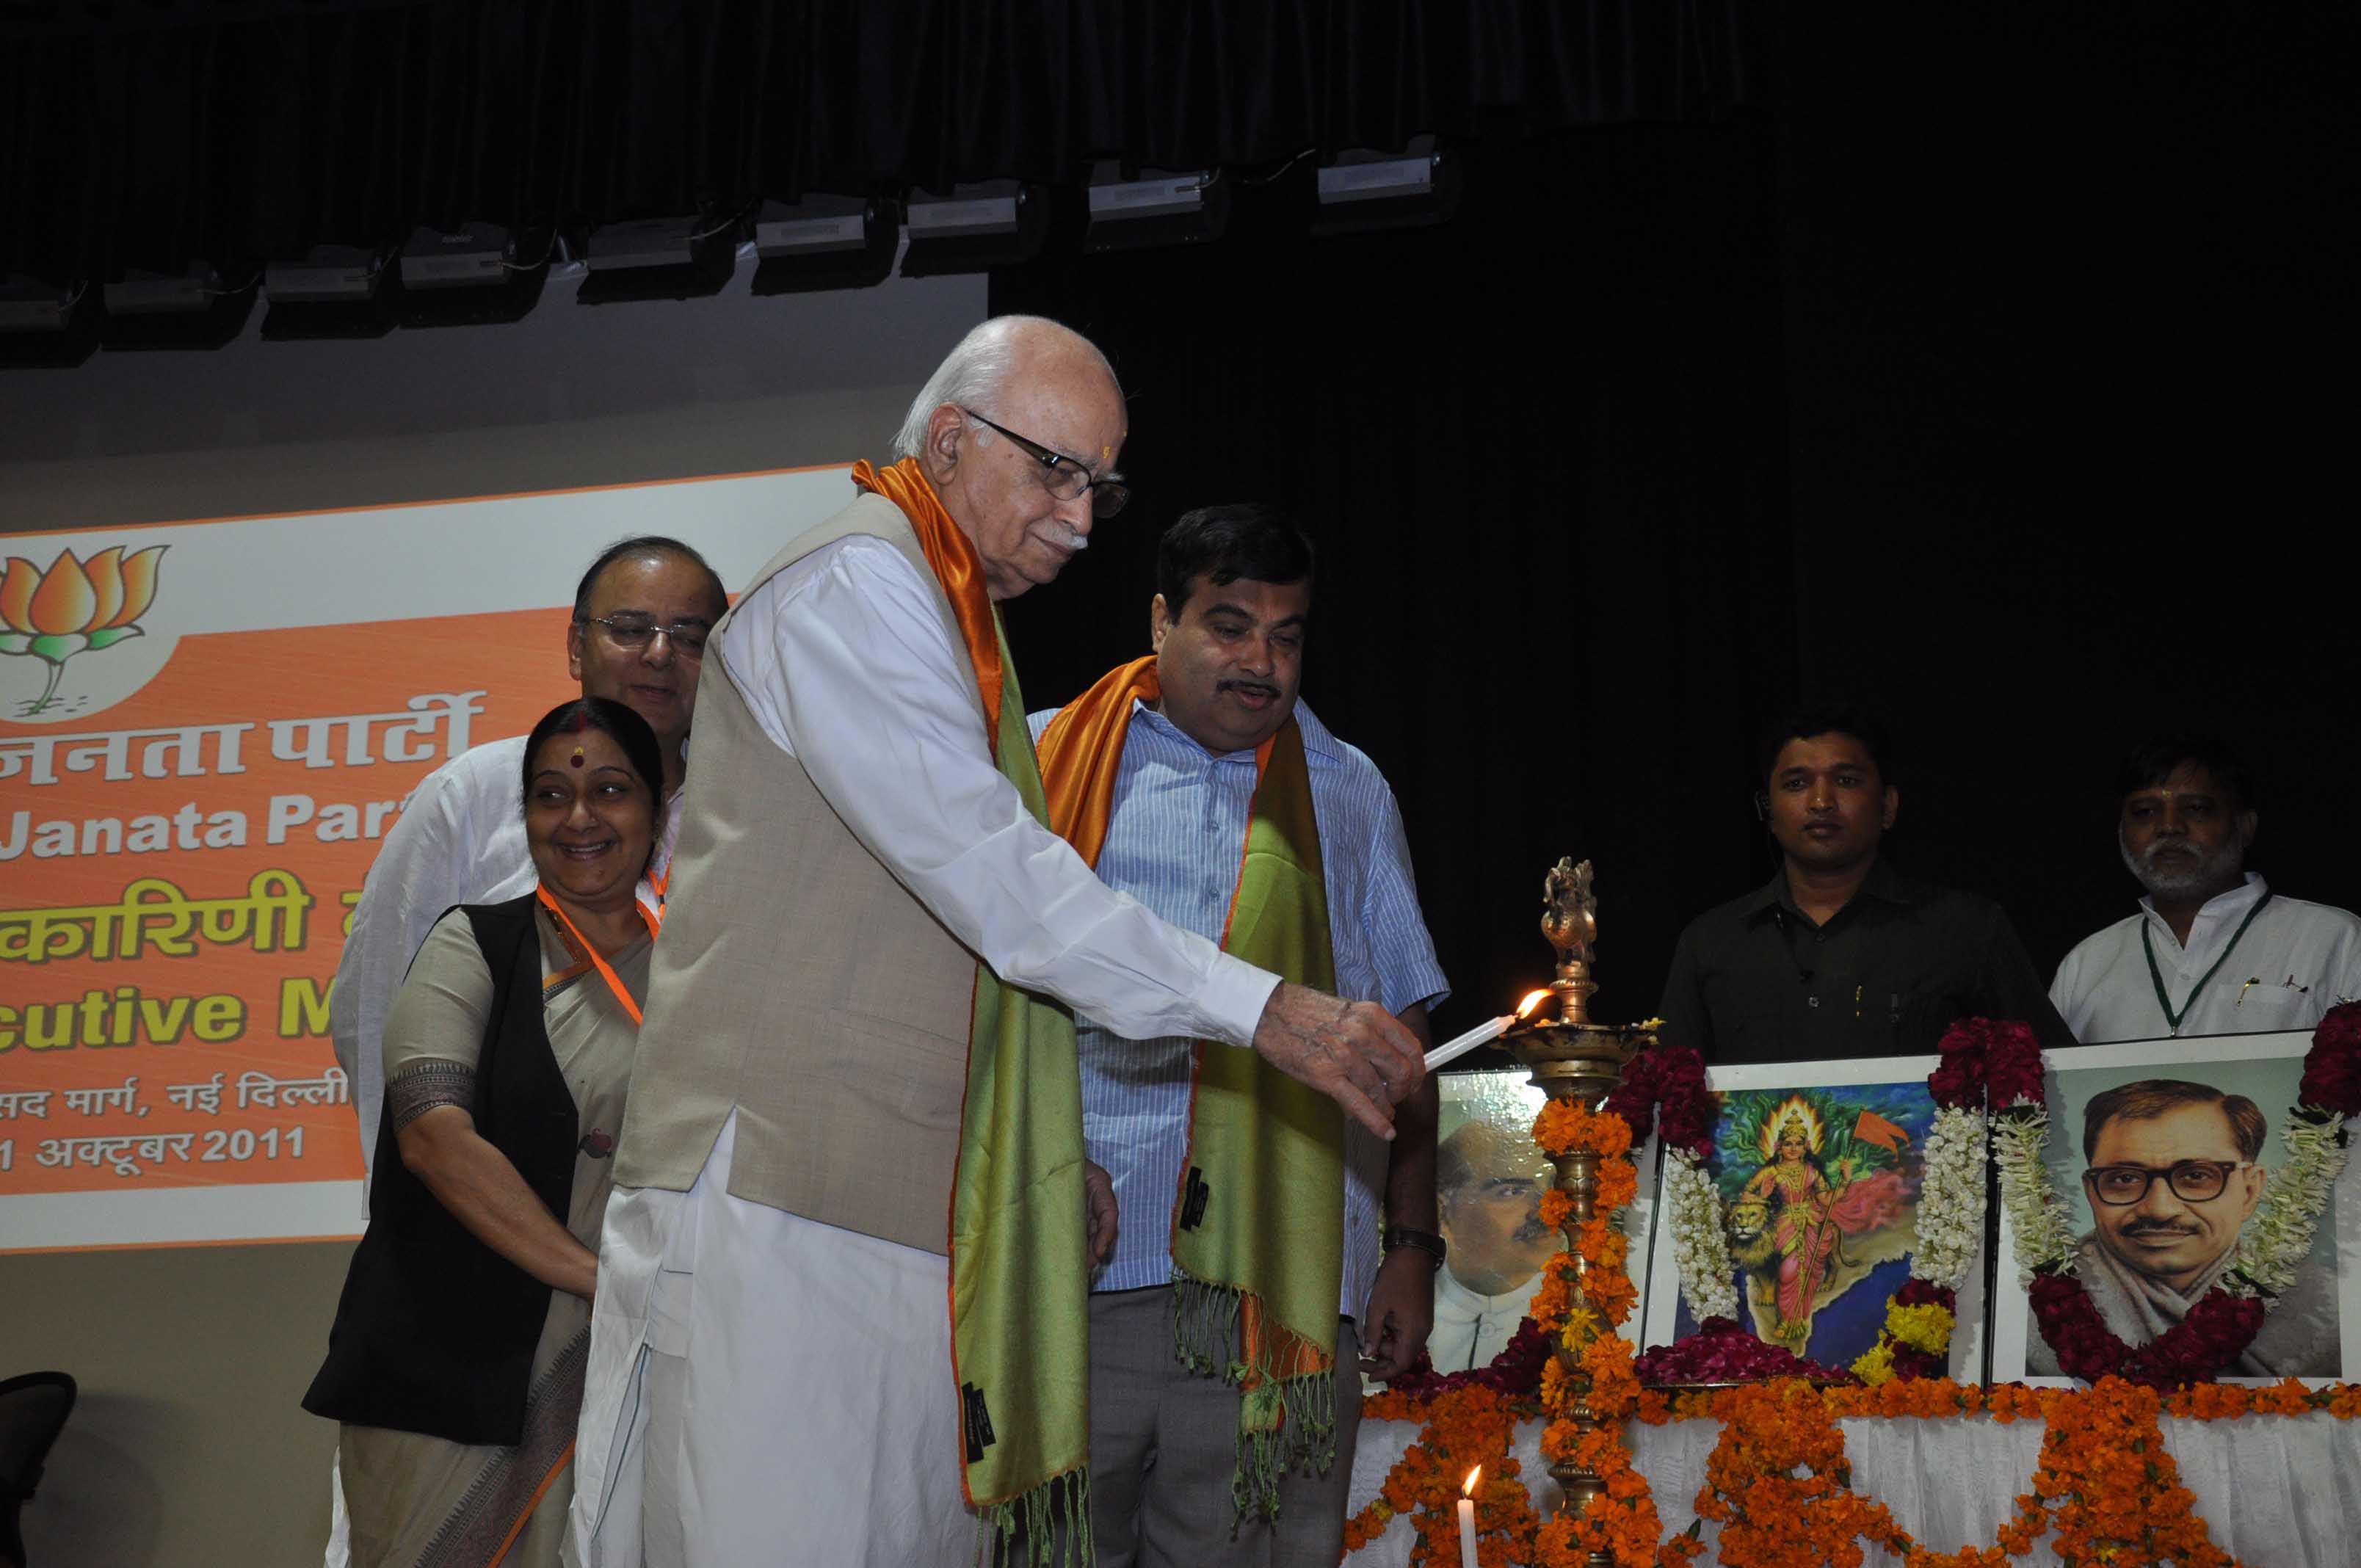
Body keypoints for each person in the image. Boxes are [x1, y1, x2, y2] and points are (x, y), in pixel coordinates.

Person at [567, 317, 1426, 1568]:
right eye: (1056, 471)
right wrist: (1266, 1010)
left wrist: (1041, 1147)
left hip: (902, 1208)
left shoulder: (947, 611)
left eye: (1102, 484)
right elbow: (1001, 887)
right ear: (955, 437)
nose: (1082, 520)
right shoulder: (859, 584)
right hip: (782, 1200)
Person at [1026, 503, 1448, 1565]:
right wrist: (1039, 1160)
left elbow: (1402, 1042)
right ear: (1160, 618)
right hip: (1075, 1275)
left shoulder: (1348, 789)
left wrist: (1409, 1249)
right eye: (1228, 625)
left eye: (1288, 634)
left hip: (1285, 1292)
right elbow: (967, 1009)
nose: (1261, 661)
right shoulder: (1038, 763)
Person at [303, 698, 667, 1567]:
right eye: (548, 796)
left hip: (638, 1366)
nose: (578, 817)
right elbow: (433, 1138)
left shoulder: (701, 970)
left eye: (610, 790)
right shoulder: (474, 944)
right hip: (452, 1368)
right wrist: (605, 1279)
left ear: (656, 813)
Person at [331, 537, 728, 1186]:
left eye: (690, 637)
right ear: (576, 647)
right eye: (630, 629)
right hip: (491, 1200)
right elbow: (378, 1003)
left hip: (687, 1204)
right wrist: (411, 1196)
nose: (660, 654)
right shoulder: (477, 795)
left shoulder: (749, 815)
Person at [1657, 704, 2071, 1063]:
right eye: (1797, 784)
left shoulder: (1967, 930)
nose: (1821, 801)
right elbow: (1669, 1100)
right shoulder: (1711, 943)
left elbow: (2053, 1076)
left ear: (1888, 806)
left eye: (1847, 780)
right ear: (1766, 811)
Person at [2050, 736, 2361, 1043]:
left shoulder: (2335, 939)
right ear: (2120, 831)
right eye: (2145, 812)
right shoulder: (2087, 964)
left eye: (2196, 809)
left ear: (2245, 826)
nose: (2169, 826)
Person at [2025, 1078, 2338, 1376]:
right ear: (2092, 1193)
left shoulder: (2326, 1309)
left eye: (2196, 1176)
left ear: (2249, 1191)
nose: (2160, 1210)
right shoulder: (2030, 1315)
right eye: (2124, 1178)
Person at [1427, 1122, 1561, 1374]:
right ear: (1442, 1212)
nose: (1545, 1208)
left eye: (1553, 1186)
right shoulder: (1399, 1311)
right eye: (1512, 1191)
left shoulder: (1585, 1314)